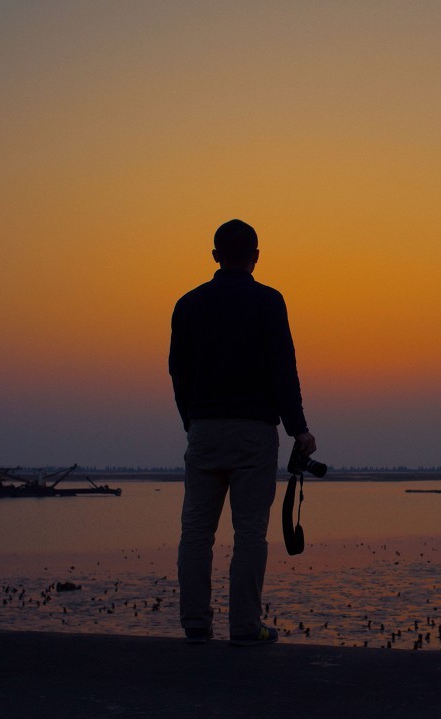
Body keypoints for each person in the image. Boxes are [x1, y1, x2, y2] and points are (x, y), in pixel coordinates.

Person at [168, 219, 317, 646]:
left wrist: (191, 420)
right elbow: (282, 370)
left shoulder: (188, 304)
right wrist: (299, 429)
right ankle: (246, 627)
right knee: (250, 531)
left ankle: (196, 624)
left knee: (196, 530)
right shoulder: (268, 301)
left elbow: (178, 371)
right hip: (254, 432)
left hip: (204, 430)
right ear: (256, 256)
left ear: (216, 256)